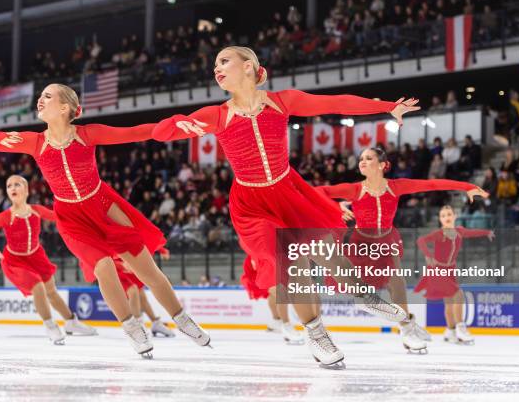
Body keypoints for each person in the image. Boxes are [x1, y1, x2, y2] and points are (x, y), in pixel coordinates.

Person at [152, 46, 419, 368]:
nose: (216, 68)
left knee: (327, 252)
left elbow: (335, 103)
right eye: (215, 64)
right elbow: (159, 133)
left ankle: (363, 296)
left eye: (224, 61)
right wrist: (178, 124)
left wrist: (389, 107)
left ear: (249, 66)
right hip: (252, 203)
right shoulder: (216, 115)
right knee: (289, 262)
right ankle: (317, 333)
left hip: (289, 191)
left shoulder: (282, 101)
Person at [0, 84, 209, 358]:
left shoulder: (87, 134)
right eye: (40, 96)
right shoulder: (35, 142)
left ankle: (182, 319)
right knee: (103, 267)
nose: (40, 100)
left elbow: (136, 132)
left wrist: (173, 124)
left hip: (103, 206)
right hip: (72, 218)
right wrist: (5, 138)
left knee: (147, 271)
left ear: (65, 108)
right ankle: (132, 327)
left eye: (47, 96)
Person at [317, 148, 488, 352]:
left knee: (397, 281)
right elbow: (318, 192)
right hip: (360, 244)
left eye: (368, 158)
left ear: (382, 165)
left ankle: (407, 329)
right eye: (361, 158)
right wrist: (335, 207)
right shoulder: (355, 189)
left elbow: (432, 184)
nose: (362, 161)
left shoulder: (396, 187)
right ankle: (401, 318)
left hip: (387, 241)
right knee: (359, 293)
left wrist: (466, 187)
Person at [0, 175, 97, 344]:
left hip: (37, 257)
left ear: (26, 190)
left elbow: (59, 217)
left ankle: (71, 322)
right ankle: (50, 326)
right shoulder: (5, 216)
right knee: (38, 287)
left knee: (52, 292)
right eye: (9, 186)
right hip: (15, 260)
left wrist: (77, 210)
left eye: (17, 184)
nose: (12, 188)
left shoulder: (36, 210)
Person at [416, 205, 494, 344]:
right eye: (443, 215)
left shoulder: (459, 231)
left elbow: (473, 232)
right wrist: (428, 255)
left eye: (449, 214)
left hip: (450, 270)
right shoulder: (439, 234)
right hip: (437, 270)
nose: (447, 217)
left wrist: (486, 232)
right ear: (440, 219)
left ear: (454, 216)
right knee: (458, 295)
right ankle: (460, 329)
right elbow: (420, 240)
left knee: (449, 301)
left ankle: (450, 331)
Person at [241, 255, 304, 345]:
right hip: (258, 271)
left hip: (266, 265)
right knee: (280, 292)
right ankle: (286, 326)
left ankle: (276, 321)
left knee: (276, 293)